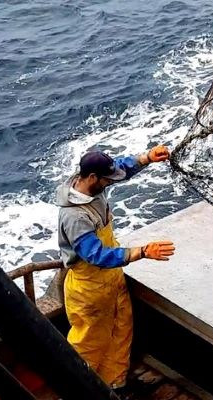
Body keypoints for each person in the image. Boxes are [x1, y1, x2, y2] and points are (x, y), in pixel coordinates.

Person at [56, 146, 176, 391]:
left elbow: (121, 167)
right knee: (89, 343)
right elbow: (96, 255)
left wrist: (146, 158)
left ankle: (115, 385)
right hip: (89, 289)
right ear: (92, 178)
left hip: (112, 281)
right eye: (106, 179)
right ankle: (82, 390)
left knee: (121, 330)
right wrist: (142, 252)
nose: (111, 181)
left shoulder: (90, 183)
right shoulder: (75, 217)